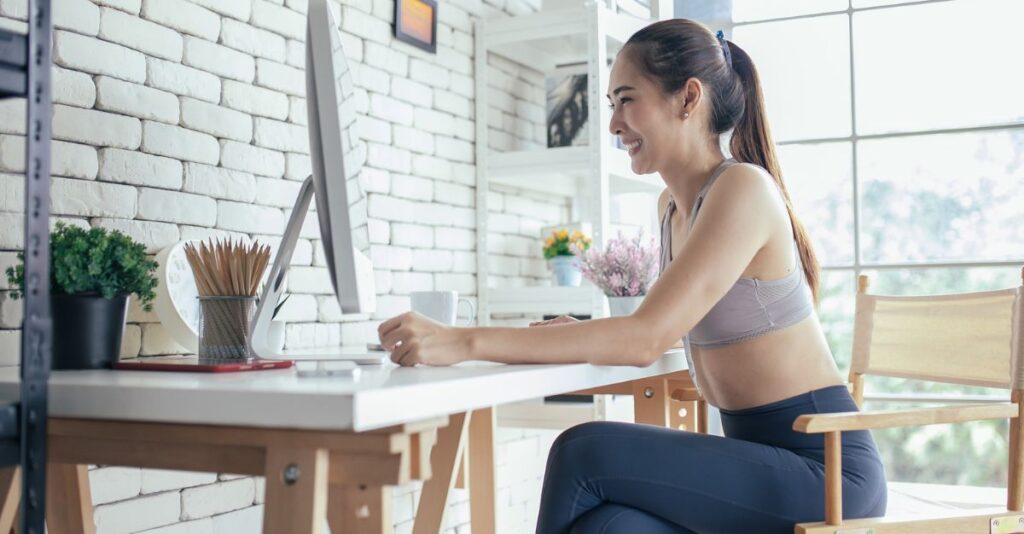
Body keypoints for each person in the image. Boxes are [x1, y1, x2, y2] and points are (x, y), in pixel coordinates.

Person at [377, 18, 887, 534]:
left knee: (584, 450)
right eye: (610, 106)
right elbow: (652, 325)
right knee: (607, 526)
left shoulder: (742, 190)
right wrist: (573, 334)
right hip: (758, 461)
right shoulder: (672, 208)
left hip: (826, 470)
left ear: (688, 99)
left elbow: (645, 337)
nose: (615, 124)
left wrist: (462, 341)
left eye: (627, 100)